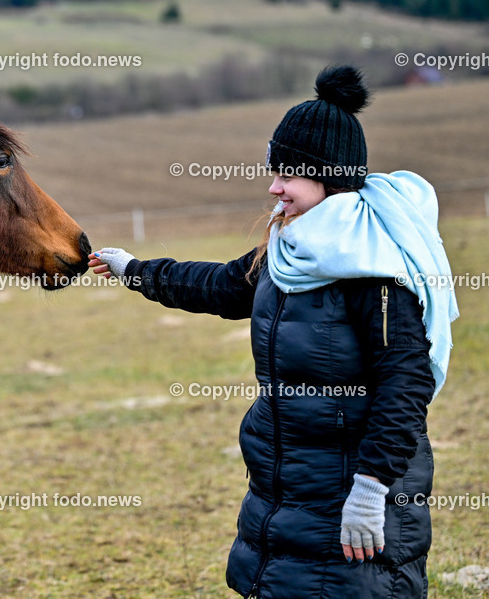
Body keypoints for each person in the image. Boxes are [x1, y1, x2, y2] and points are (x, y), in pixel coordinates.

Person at [89, 66, 459, 598]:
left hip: (355, 492)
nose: (273, 186)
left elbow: (406, 382)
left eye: (288, 174)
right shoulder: (288, 250)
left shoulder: (374, 266)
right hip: (288, 486)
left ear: (329, 178)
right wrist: (137, 270)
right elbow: (218, 286)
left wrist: (372, 487)